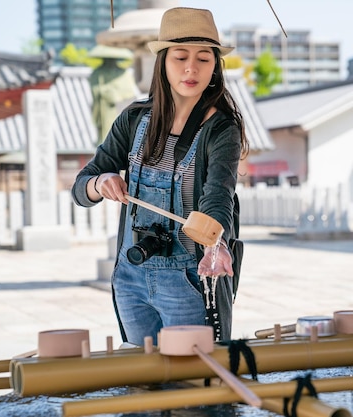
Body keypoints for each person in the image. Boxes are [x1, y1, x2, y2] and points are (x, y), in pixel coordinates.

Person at [71, 7, 248, 345]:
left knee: (192, 387)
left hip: (187, 280)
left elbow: (218, 194)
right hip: (130, 276)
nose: (191, 68)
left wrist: (216, 244)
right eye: (180, 57)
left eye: (204, 59)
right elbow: (82, 185)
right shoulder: (135, 119)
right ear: (163, 62)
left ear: (215, 67)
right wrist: (99, 183)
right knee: (143, 383)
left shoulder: (222, 127)